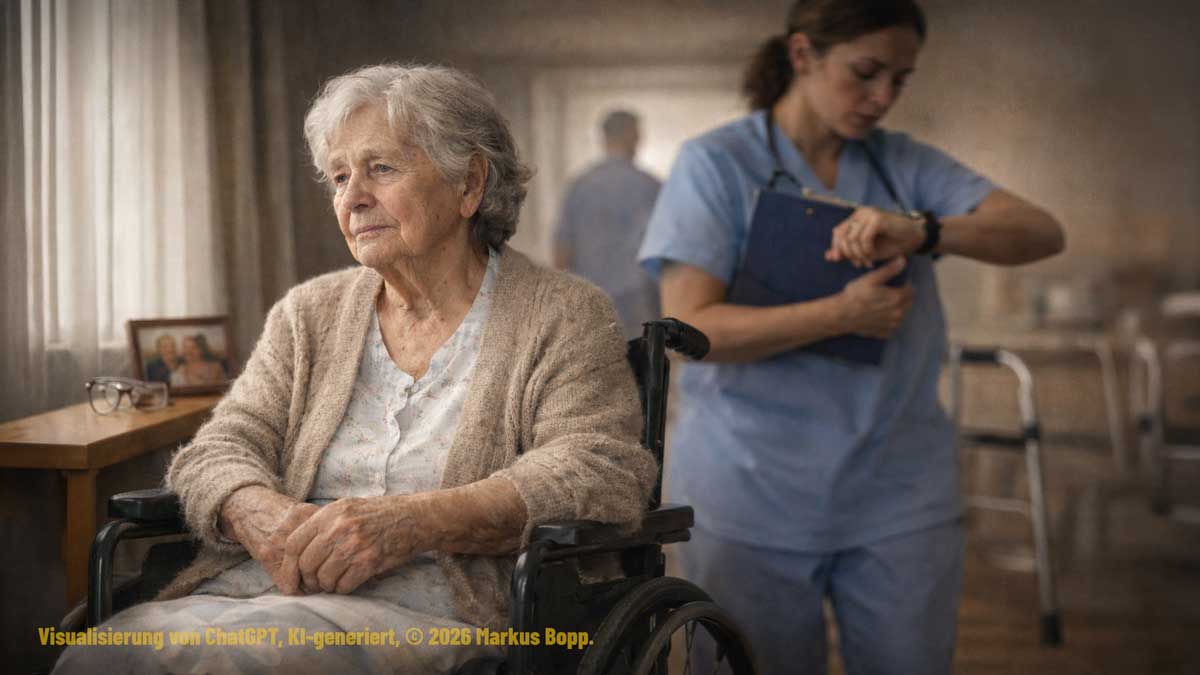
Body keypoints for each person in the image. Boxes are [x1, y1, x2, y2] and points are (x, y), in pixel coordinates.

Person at [54, 63, 655, 675]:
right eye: (339, 176)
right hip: (258, 593)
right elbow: (221, 446)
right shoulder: (308, 313)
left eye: (381, 169)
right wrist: (255, 508)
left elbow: (596, 467)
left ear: (469, 185)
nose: (352, 197)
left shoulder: (563, 314)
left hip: (440, 611)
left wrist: (411, 522)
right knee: (100, 657)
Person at [637, 2, 1065, 674]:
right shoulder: (716, 164)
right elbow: (692, 330)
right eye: (866, 72)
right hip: (752, 490)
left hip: (897, 492)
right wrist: (840, 314)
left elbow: (1041, 232)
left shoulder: (902, 166)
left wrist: (922, 229)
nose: (882, 98)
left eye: (901, 80)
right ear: (803, 55)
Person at [553, 110, 661, 338]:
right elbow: (665, 250)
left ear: (603, 138)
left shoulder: (580, 186)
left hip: (590, 303)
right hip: (638, 302)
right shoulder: (650, 186)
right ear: (633, 136)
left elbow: (562, 249)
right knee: (639, 368)